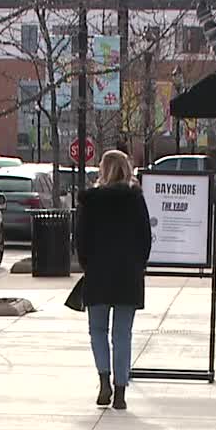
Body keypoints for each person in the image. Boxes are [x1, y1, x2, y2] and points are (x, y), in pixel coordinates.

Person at [75, 149, 151, 411]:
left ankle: (104, 379)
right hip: (128, 274)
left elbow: (80, 240)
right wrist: (137, 265)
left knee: (97, 330)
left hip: (98, 272)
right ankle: (120, 389)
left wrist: (89, 265)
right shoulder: (135, 199)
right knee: (122, 333)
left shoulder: (91, 201)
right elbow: (145, 238)